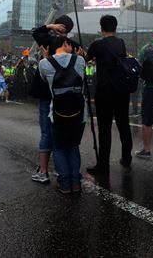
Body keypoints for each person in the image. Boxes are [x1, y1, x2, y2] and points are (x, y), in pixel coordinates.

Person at [39, 35, 87, 194]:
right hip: (79, 113)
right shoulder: (79, 61)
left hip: (58, 113)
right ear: (65, 43)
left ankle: (65, 183)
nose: (72, 47)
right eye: (70, 44)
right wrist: (78, 56)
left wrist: (46, 58)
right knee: (73, 146)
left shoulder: (44, 64)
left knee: (59, 147)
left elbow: (45, 80)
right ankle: (75, 183)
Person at [86, 15, 133, 173]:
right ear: (115, 27)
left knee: (104, 129)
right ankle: (126, 158)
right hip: (122, 91)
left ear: (101, 28)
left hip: (105, 92)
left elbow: (85, 59)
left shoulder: (97, 45)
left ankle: (103, 165)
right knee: (123, 125)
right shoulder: (121, 43)